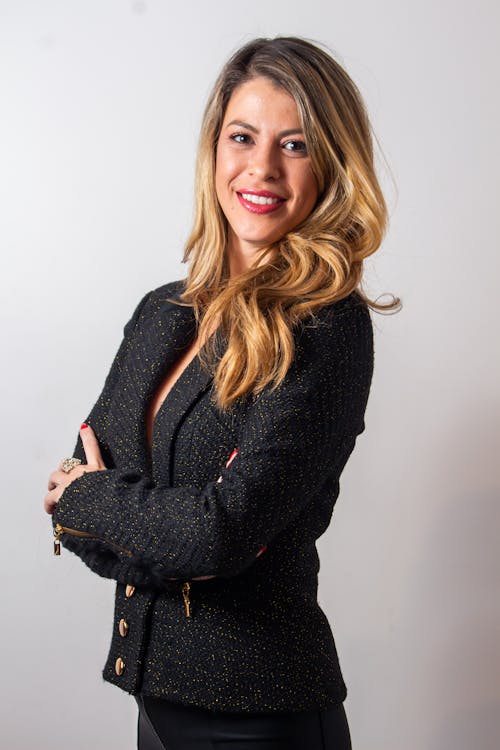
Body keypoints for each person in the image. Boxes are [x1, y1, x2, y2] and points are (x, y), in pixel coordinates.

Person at [44, 36, 400, 750]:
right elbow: (89, 526)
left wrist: (92, 498)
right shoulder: (164, 312)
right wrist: (157, 531)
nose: (261, 167)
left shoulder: (326, 327)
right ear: (214, 149)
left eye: (295, 145)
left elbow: (217, 531)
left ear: (330, 163)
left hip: (261, 721)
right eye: (243, 137)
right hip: (156, 709)